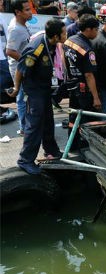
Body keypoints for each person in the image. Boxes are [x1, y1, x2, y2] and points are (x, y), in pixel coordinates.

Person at [7, 19, 67, 174]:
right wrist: (16, 88)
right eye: (64, 33)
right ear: (55, 36)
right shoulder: (38, 47)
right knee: (35, 124)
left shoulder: (52, 44)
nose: (66, 34)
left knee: (48, 120)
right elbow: (21, 68)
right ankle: (25, 160)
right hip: (34, 90)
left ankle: (51, 150)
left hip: (44, 87)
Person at [63, 14, 100, 149]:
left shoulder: (69, 41)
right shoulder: (86, 48)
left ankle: (71, 143)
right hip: (84, 88)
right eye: (96, 29)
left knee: (73, 116)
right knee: (85, 117)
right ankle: (82, 144)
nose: (97, 32)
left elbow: (64, 58)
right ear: (88, 29)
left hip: (72, 84)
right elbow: (89, 75)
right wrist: (96, 98)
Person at [6, 0, 32, 136]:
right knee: (22, 98)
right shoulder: (16, 29)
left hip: (24, 68)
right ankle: (24, 128)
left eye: (30, 9)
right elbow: (10, 51)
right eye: (27, 10)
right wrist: (28, 63)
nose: (30, 12)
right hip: (19, 69)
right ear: (18, 12)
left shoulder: (21, 25)